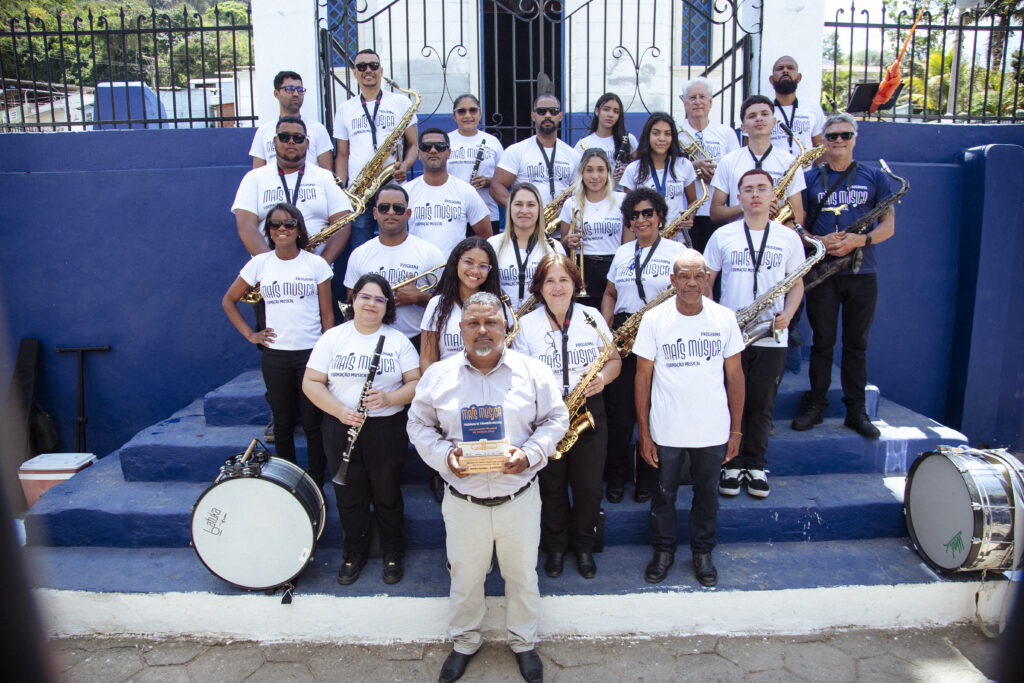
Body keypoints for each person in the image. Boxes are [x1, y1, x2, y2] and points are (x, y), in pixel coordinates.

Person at [407, 291, 569, 683]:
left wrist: (529, 455)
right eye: (474, 323)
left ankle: (523, 642)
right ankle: (464, 642)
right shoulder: (438, 376)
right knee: (465, 577)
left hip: (518, 497)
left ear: (506, 327)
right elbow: (417, 424)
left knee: (522, 576)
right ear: (460, 329)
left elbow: (556, 418)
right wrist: (446, 457)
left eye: (491, 322)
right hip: (465, 501)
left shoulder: (532, 371)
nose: (483, 330)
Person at [633, 249, 744, 587]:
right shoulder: (654, 320)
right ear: (672, 280)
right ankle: (664, 551)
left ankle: (702, 552)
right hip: (667, 429)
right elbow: (642, 378)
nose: (691, 282)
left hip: (711, 430)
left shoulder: (724, 318)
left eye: (698, 275)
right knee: (664, 495)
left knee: (707, 495)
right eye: (684, 275)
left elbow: (736, 376)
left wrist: (736, 431)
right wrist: (645, 434)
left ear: (708, 278)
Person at [303, 273, 420, 585]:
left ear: (387, 306)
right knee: (349, 496)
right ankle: (353, 553)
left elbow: (416, 383)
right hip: (341, 426)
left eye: (379, 299)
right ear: (353, 300)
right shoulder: (333, 338)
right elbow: (311, 382)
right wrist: (339, 410)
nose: (371, 304)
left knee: (387, 493)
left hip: (386, 428)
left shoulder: (397, 342)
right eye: (365, 297)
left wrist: (389, 397)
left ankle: (393, 552)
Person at [512, 254, 621, 579]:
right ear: (539, 287)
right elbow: (519, 377)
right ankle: (556, 548)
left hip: (588, 409)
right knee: (552, 486)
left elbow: (614, 360)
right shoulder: (527, 325)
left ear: (575, 284)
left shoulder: (591, 318)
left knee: (588, 487)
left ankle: (584, 547)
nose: (557, 287)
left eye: (564, 280)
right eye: (550, 281)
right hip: (546, 415)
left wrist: (603, 379)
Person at [793, 113, 896, 439]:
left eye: (845, 135)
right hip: (823, 271)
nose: (838, 141)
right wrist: (818, 241)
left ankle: (856, 410)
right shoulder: (809, 179)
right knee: (821, 342)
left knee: (857, 344)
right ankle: (816, 404)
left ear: (855, 138)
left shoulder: (875, 176)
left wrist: (859, 240)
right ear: (823, 141)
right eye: (832, 136)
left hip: (861, 271)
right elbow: (797, 224)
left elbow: (888, 226)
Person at [704, 169, 806, 498]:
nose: (755, 195)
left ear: (773, 194)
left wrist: (788, 315)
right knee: (731, 403)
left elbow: (797, 283)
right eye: (748, 189)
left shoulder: (788, 237)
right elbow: (707, 282)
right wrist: (718, 318)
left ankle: (756, 464)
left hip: (771, 335)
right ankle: (730, 464)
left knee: (762, 404)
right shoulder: (723, 236)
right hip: (733, 334)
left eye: (762, 188)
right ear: (739, 196)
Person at [221, 203, 334, 488]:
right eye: (274, 225)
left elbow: (327, 313)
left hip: (311, 355)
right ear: (268, 231)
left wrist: (329, 350)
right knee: (282, 423)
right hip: (276, 356)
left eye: (289, 224)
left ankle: (317, 482)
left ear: (299, 229)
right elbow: (228, 300)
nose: (281, 229)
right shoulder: (260, 263)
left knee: (313, 423)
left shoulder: (315, 264)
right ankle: (289, 481)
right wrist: (251, 334)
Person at [601, 188, 685, 504]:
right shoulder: (623, 253)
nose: (640, 219)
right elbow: (610, 292)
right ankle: (617, 476)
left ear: (660, 216)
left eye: (647, 213)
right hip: (624, 335)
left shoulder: (676, 251)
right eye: (634, 215)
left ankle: (647, 478)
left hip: (660, 336)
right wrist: (608, 331)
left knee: (654, 413)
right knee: (620, 413)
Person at [332, 49, 419, 299]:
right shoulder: (345, 109)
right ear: (354, 73)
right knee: (360, 245)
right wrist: (343, 190)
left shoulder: (400, 103)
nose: (367, 70)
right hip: (359, 190)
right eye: (361, 67)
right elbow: (342, 154)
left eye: (373, 65)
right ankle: (362, 298)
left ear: (381, 70)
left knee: (400, 237)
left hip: (391, 183)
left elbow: (413, 144)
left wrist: (405, 164)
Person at [232, 116, 353, 266]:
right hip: (268, 274)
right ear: (275, 142)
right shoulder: (253, 178)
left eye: (298, 138)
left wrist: (320, 266)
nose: (291, 141)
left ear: (307, 143)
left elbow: (342, 224)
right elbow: (246, 227)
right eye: (284, 137)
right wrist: (273, 265)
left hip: (316, 273)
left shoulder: (326, 177)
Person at [343, 183, 445, 345]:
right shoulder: (359, 254)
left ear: (408, 213)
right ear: (375, 213)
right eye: (384, 207)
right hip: (370, 339)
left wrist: (419, 298)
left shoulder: (430, 252)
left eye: (398, 208)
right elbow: (351, 305)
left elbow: (448, 303)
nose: (391, 212)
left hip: (416, 339)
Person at [710, 95, 805, 227]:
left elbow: (798, 214)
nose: (759, 118)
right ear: (743, 127)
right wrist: (746, 206)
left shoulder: (789, 162)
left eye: (765, 114)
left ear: (774, 122)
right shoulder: (728, 161)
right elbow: (715, 213)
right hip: (740, 236)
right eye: (752, 116)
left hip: (777, 235)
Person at [558, 149, 629, 310]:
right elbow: (562, 246)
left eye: (600, 170)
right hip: (584, 271)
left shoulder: (622, 200)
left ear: (608, 172)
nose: (595, 176)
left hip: (614, 266)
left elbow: (628, 245)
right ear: (582, 173)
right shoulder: (571, 203)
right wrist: (568, 241)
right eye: (589, 170)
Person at [420, 237, 505, 371]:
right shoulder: (436, 304)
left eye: (483, 266)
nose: (475, 270)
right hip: (447, 386)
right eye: (468, 262)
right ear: (456, 262)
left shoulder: (497, 304)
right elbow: (427, 359)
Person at [677, 77, 741, 252]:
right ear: (684, 102)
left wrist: (718, 176)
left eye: (702, 97)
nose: (697, 102)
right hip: (685, 214)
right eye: (692, 97)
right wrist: (692, 166)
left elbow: (736, 171)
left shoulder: (726, 133)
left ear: (710, 102)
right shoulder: (675, 134)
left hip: (717, 212)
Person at [405, 128, 492, 255]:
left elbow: (486, 237)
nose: (433, 150)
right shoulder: (406, 192)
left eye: (440, 146)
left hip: (454, 271)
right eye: (426, 147)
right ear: (419, 153)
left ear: (449, 152)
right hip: (419, 271)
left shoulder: (466, 191)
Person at [620, 112, 698, 244]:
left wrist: (689, 218)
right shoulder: (633, 169)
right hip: (645, 240)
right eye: (656, 133)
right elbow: (629, 211)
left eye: (667, 134)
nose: (662, 138)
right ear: (647, 135)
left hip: (676, 240)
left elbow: (693, 201)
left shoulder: (684, 165)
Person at [491, 93, 581, 207]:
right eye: (541, 111)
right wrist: (518, 210)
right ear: (533, 116)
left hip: (561, 222)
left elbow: (579, 191)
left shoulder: (573, 155)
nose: (547, 115)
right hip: (526, 222)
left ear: (561, 116)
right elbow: (496, 187)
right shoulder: (516, 151)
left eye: (553, 111)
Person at [489, 182, 565, 311]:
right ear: (510, 207)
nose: (524, 210)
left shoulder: (554, 248)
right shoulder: (492, 244)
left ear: (539, 209)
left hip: (541, 323)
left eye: (531, 205)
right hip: (500, 323)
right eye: (518, 204)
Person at [249, 70, 333, 170]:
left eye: (300, 89)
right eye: (290, 89)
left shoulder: (317, 129)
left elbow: (327, 174)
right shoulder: (264, 131)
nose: (296, 94)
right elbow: (257, 174)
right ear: (276, 93)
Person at [447, 94, 504, 234]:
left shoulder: (492, 142)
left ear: (480, 114)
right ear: (454, 116)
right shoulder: (446, 140)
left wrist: (488, 181)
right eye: (461, 111)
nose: (467, 115)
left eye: (473, 110)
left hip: (487, 213)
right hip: (454, 214)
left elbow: (504, 180)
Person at [572, 92, 638, 184]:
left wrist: (627, 173)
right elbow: (577, 176)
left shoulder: (629, 139)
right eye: (606, 109)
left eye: (616, 111)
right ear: (597, 111)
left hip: (622, 195)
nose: (610, 115)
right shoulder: (584, 144)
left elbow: (638, 170)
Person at [768, 55, 825, 157]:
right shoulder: (762, 110)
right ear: (771, 80)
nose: (785, 71)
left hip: (805, 172)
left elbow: (820, 149)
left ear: (799, 78)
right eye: (780, 68)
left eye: (790, 68)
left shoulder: (813, 107)